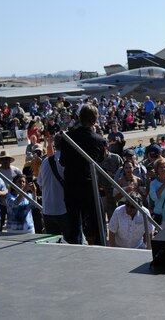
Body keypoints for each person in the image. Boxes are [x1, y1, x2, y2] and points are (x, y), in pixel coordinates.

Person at [60, 104, 106, 245]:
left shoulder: (68, 137)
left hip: (72, 185)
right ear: (94, 120)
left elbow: (62, 161)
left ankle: (74, 249)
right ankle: (102, 247)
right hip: (89, 185)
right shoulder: (99, 140)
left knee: (73, 224)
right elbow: (100, 160)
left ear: (80, 118)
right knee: (98, 222)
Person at [37, 134, 68, 236]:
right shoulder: (67, 161)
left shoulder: (45, 161)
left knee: (54, 245)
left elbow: (40, 185)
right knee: (71, 244)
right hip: (64, 210)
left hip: (48, 210)